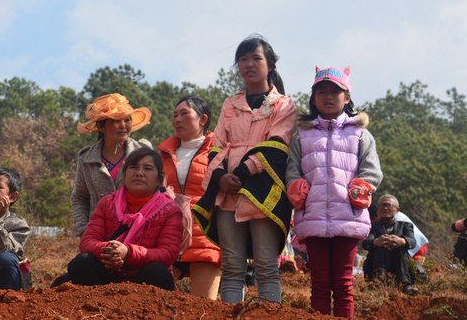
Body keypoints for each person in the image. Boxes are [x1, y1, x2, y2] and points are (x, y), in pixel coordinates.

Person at [193, 34, 296, 303]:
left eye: (256, 58)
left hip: (263, 192)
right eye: (243, 59)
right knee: (232, 268)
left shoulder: (284, 105)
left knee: (265, 266)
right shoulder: (230, 104)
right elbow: (216, 146)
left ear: (271, 65)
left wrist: (238, 174)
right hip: (227, 194)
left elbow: (277, 147)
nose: (249, 64)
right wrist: (219, 178)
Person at [286, 65, 383, 317]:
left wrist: (362, 186)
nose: (328, 96)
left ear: (347, 97)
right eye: (322, 92)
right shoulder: (301, 135)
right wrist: (295, 187)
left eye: (334, 91)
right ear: (314, 98)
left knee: (343, 285)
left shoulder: (360, 134)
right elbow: (292, 169)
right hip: (313, 217)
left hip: (349, 218)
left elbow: (372, 170)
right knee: (318, 284)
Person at [55, 147, 183, 290]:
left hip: (143, 280)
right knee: (82, 262)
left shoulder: (170, 210)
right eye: (133, 167)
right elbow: (87, 242)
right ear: (125, 174)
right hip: (107, 278)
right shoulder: (107, 203)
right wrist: (111, 251)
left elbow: (168, 254)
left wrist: (128, 253)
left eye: (147, 169)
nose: (139, 173)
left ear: (160, 179)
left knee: (157, 272)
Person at [157, 95, 221, 299]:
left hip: (205, 234)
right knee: (155, 300)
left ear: (203, 119)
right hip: (167, 234)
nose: (177, 119)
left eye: (184, 114)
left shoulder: (219, 151)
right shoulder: (161, 154)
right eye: (175, 115)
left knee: (203, 306)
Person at [71, 93, 152, 238]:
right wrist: (84, 229)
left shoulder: (143, 153)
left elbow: (154, 195)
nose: (123, 126)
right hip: (98, 235)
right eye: (116, 121)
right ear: (102, 128)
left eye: (127, 120)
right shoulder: (86, 159)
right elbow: (79, 197)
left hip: (137, 235)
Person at [362, 194, 417, 294]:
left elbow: (412, 241)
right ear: (378, 209)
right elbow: (365, 243)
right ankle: (378, 283)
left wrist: (402, 241)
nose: (385, 208)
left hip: (399, 263)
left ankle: (405, 284)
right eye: (382, 205)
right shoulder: (372, 226)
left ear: (397, 210)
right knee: (381, 246)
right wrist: (376, 242)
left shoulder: (405, 225)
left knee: (399, 247)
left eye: (388, 205)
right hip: (376, 263)